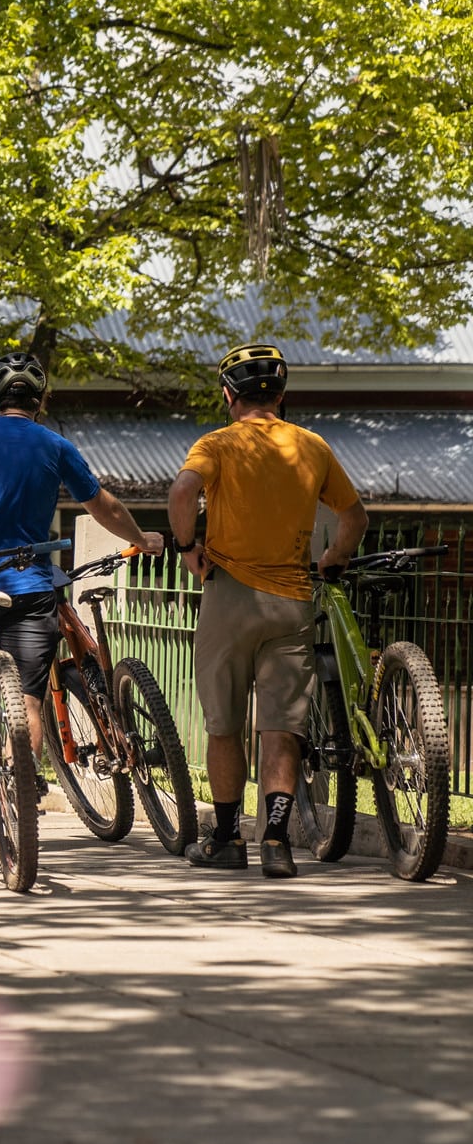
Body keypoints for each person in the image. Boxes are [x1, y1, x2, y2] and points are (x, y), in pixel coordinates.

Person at [168, 343, 367, 878]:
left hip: (229, 594)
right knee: (281, 729)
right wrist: (333, 558)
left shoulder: (217, 443)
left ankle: (228, 839)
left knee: (223, 725)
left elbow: (183, 491)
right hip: (292, 602)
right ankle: (276, 843)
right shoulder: (313, 446)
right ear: (281, 395)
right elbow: (355, 517)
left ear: (229, 396)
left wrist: (189, 550)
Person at [0, 352, 164, 760]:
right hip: (30, 589)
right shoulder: (55, 445)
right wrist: (141, 537)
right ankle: (22, 792)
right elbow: (103, 506)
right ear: (40, 400)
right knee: (27, 703)